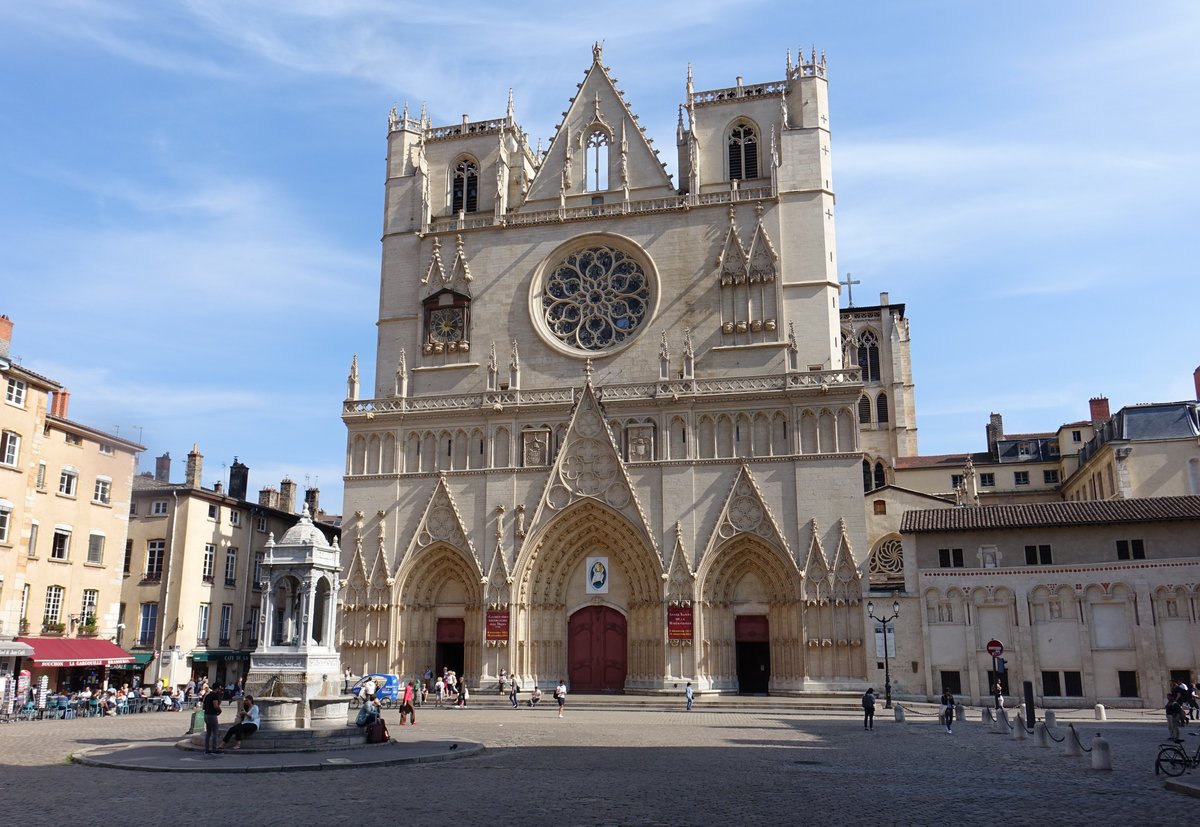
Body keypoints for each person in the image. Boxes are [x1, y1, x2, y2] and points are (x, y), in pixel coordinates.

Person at [202, 685, 223, 755]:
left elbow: (203, 706)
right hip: (212, 715)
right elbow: (216, 706)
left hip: (206, 714)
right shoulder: (215, 696)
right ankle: (214, 748)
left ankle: (207, 749)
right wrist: (220, 711)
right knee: (215, 733)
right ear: (217, 689)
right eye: (219, 689)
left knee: (208, 732)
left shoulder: (207, 696)